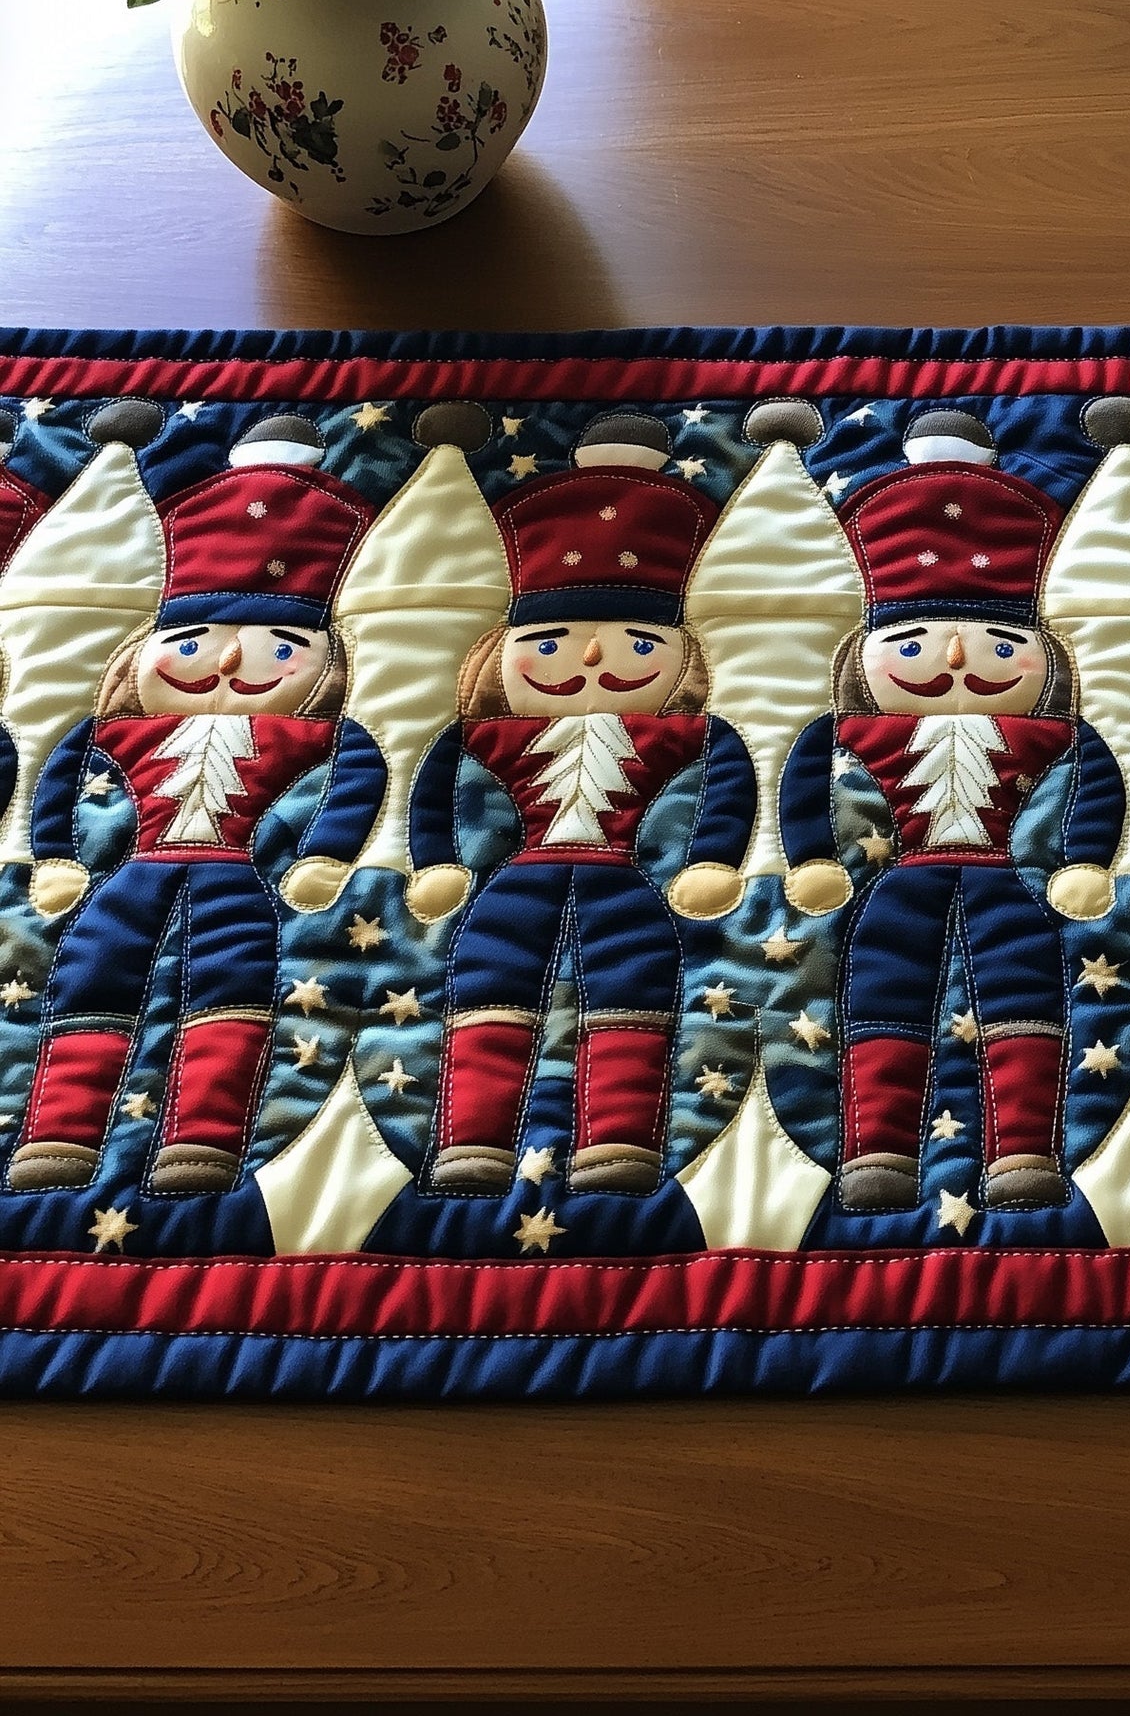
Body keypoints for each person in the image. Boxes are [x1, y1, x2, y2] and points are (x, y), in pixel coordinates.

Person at [13, 414, 383, 1194]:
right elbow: (60, 778)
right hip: (133, 873)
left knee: (231, 992)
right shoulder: (115, 733)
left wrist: (323, 852)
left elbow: (356, 774)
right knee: (91, 982)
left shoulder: (311, 737)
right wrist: (56, 854)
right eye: (191, 643)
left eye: (280, 647)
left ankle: (203, 1141)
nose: (229, 660)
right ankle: (59, 1133)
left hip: (235, 877)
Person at [779, 410, 1124, 1212]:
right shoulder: (848, 733)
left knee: (1025, 998)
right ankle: (877, 1150)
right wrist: (816, 855)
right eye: (913, 644)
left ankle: (1026, 1151)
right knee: (883, 997)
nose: (959, 658)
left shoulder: (1054, 735)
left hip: (1010, 878)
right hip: (900, 879)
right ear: (863, 658)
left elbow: (1095, 783)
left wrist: (1082, 857)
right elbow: (806, 786)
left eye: (1003, 646)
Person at [408, 413, 756, 1197]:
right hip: (517, 877)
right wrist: (436, 862)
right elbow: (434, 792)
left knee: (632, 989)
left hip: (624, 876)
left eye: (639, 644)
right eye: (553, 641)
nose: (593, 656)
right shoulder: (483, 738)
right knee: (490, 986)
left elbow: (727, 784)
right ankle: (473, 1139)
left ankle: (621, 1140)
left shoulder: (686, 735)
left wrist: (710, 857)